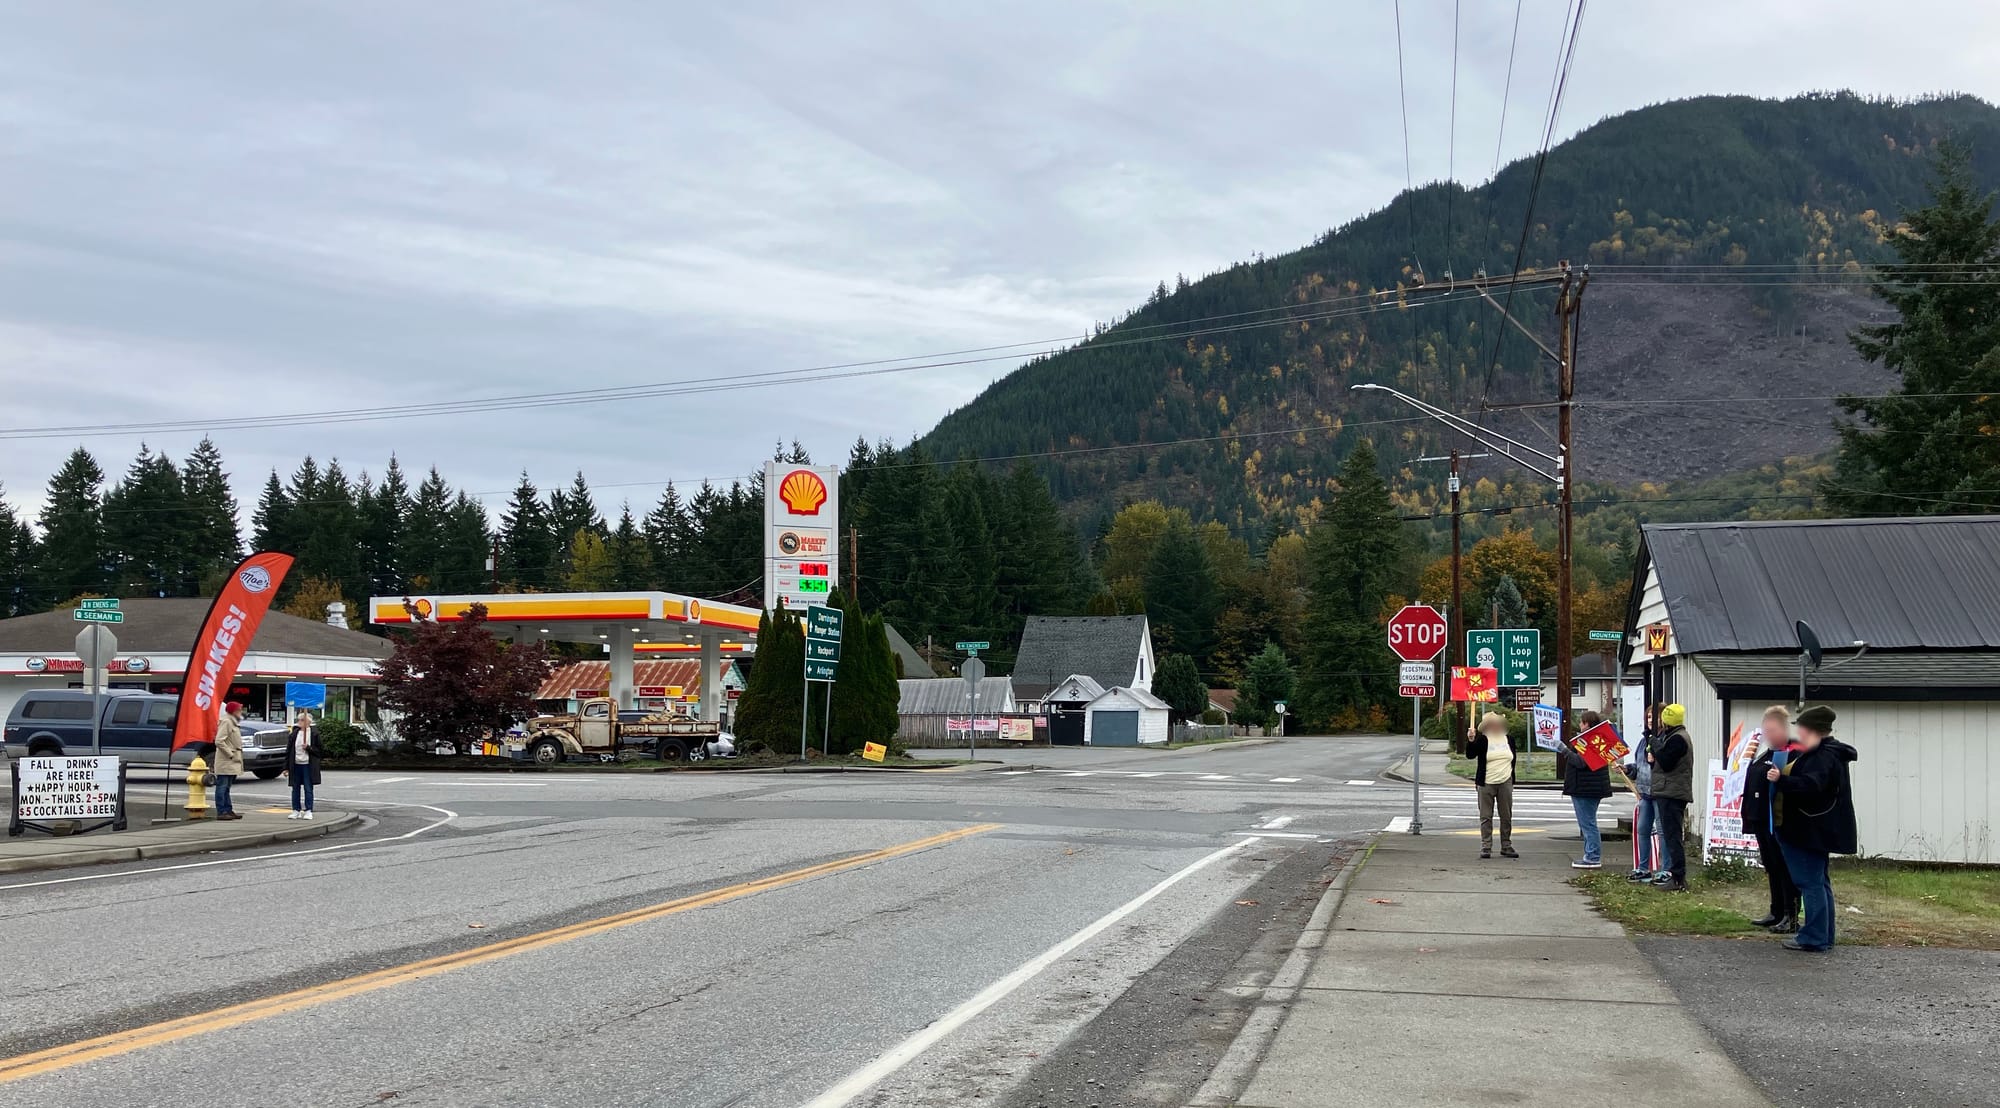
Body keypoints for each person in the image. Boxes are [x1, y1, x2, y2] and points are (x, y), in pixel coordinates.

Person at [1768, 705, 1859, 952]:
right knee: (1819, 881)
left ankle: (1814, 936)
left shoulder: (1822, 756)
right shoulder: (1828, 753)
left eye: (1802, 729)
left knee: (1809, 882)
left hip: (1808, 828)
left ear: (1813, 730)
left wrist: (1781, 780)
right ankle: (1824, 935)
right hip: (1817, 827)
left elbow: (1811, 786)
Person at [1738, 705, 1801, 933]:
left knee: (1785, 868)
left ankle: (1790, 914)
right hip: (1761, 819)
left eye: (1772, 729)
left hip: (1780, 821)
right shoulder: (1766, 753)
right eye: (1765, 730)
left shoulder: (1793, 753)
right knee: (1771, 866)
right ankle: (1775, 911)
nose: (1768, 734)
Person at [1648, 703, 1695, 892]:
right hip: (1670, 790)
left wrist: (1656, 744)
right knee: (1670, 835)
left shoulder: (1677, 740)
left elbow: (1667, 763)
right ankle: (1676, 876)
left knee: (1672, 835)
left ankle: (1677, 878)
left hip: (1672, 792)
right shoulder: (1676, 736)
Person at [1559, 710, 1613, 868]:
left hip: (1585, 788)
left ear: (1588, 724)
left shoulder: (1590, 740)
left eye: (1582, 722)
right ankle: (1591, 854)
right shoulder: (1597, 739)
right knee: (1589, 823)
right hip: (1592, 787)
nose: (1580, 725)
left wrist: (1565, 750)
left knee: (1588, 824)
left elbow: (1581, 762)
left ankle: (1592, 856)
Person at [1465, 712, 1517, 859]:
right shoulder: (1483, 740)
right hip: (1486, 782)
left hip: (1505, 781)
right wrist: (1471, 740)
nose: (1496, 726)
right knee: (1486, 816)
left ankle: (1506, 845)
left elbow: (1513, 760)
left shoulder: (1509, 740)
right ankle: (1486, 846)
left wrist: (1512, 779)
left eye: (1498, 723)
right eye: (1493, 723)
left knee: (1506, 815)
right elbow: (1470, 755)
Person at [1622, 704, 1661, 882]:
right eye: (1648, 717)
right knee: (1642, 830)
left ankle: (1665, 869)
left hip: (1661, 793)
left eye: (1654, 717)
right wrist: (1627, 769)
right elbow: (1639, 766)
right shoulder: (1644, 741)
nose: (1651, 721)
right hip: (1644, 793)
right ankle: (1643, 868)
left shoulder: (1665, 739)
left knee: (1662, 832)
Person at [286, 710, 323, 820]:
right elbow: (288, 751)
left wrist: (309, 748)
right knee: (295, 788)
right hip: (296, 764)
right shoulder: (294, 734)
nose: (299, 722)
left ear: (308, 722)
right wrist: (286, 767)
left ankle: (308, 810)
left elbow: (320, 751)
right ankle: (296, 810)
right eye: (299, 720)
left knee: (308, 788)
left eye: (302, 720)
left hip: (308, 765)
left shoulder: (314, 734)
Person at [212, 701, 245, 821]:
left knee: (227, 787)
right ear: (234, 711)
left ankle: (228, 809)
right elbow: (219, 740)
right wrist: (230, 754)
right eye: (239, 709)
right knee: (222, 786)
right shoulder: (227, 722)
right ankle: (221, 811)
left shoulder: (233, 722)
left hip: (232, 760)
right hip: (226, 760)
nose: (241, 712)